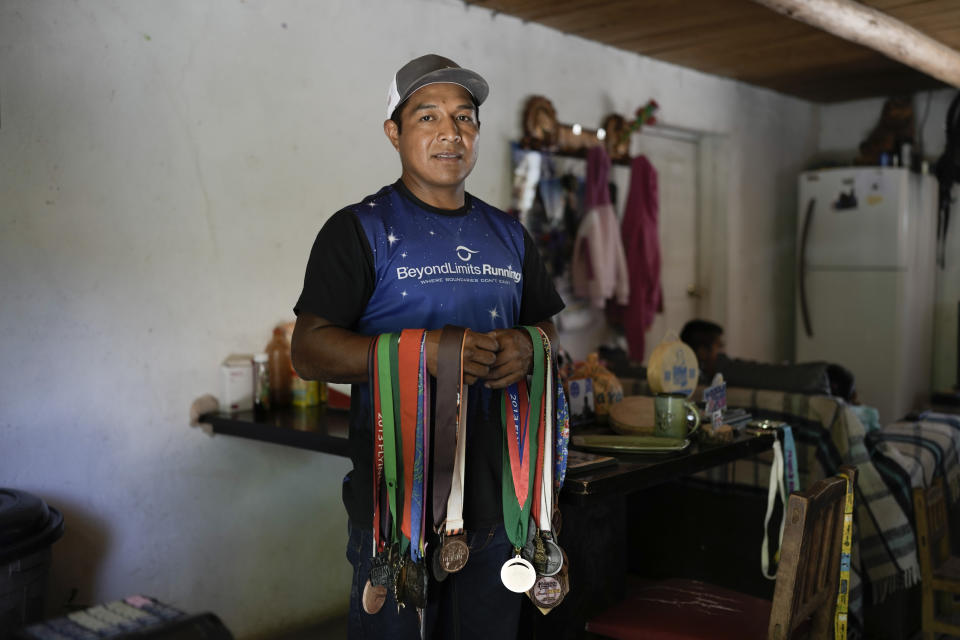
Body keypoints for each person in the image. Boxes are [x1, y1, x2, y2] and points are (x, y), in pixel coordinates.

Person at [291, 54, 565, 640]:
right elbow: (309, 351)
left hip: (503, 503)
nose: (451, 133)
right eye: (428, 117)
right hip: (397, 505)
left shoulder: (510, 235)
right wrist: (424, 350)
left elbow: (547, 327)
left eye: (465, 118)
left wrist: (529, 343)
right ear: (394, 132)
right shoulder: (359, 229)